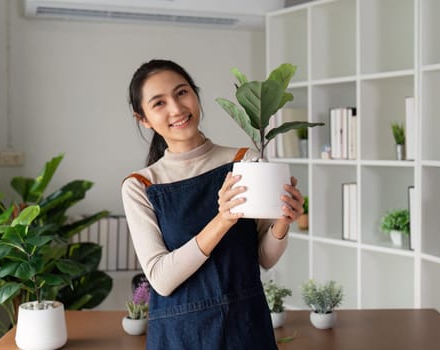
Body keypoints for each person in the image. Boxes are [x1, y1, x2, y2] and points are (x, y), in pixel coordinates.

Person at [121, 59, 305, 349]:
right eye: (159, 103)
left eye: (182, 93)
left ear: (195, 94)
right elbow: (161, 279)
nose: (177, 108)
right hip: (180, 336)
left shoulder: (245, 162)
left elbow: (264, 258)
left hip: (246, 328)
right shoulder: (141, 185)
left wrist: (283, 221)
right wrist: (223, 220)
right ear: (142, 118)